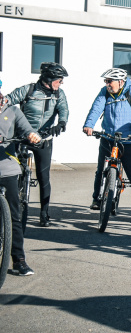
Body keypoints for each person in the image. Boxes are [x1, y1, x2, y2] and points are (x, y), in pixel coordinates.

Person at [82, 68, 131, 223]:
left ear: (121, 82)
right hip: (108, 138)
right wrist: (89, 125)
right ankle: (96, 199)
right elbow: (96, 108)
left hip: (127, 140)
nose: (107, 84)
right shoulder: (104, 92)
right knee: (101, 170)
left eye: (109, 81)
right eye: (106, 81)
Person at [6, 62, 70, 227]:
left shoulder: (59, 94)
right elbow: (7, 101)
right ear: (48, 79)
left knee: (44, 177)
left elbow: (63, 110)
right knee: (15, 174)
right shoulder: (28, 90)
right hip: (23, 137)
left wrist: (61, 123)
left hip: (44, 139)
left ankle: (44, 213)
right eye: (58, 80)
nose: (60, 83)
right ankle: (10, 211)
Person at [0, 80, 42, 275]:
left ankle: (19, 260)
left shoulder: (13, 111)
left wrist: (33, 135)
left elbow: (26, 129)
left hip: (6, 168)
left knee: (15, 216)